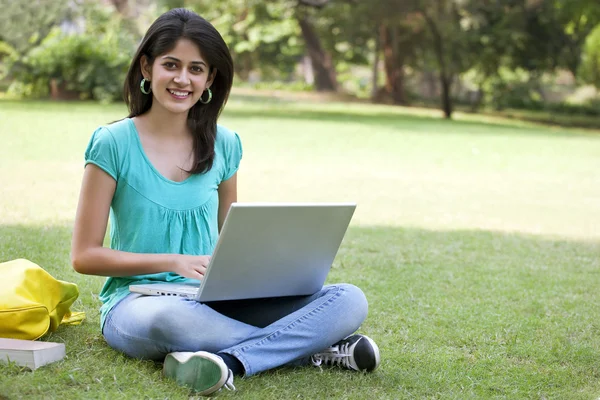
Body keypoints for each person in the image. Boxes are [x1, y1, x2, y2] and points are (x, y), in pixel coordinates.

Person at [71, 8, 380, 396]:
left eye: (196, 69)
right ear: (147, 68)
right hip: (139, 305)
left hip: (213, 298)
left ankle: (229, 361)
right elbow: (84, 256)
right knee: (175, 320)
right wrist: (173, 262)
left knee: (349, 299)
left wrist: (267, 270)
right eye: (171, 65)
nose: (183, 79)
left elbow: (227, 238)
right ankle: (316, 350)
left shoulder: (225, 144)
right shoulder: (112, 142)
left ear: (210, 78)